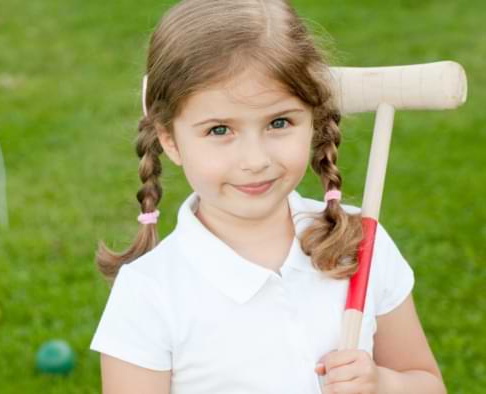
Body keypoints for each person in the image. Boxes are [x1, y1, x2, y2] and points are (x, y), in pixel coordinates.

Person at [89, 0, 446, 393]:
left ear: (314, 119)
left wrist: (382, 384)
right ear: (170, 139)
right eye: (220, 130)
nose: (255, 160)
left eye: (279, 122)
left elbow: (426, 382)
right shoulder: (150, 293)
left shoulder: (360, 242)